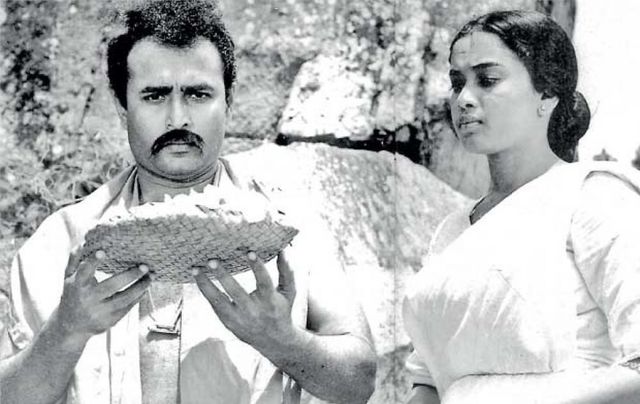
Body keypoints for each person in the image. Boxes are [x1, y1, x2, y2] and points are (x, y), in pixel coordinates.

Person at [0, 1, 377, 403]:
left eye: (198, 94)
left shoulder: (290, 229)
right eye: (155, 96)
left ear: (228, 100)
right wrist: (66, 330)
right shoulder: (61, 242)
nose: (178, 117)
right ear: (122, 106)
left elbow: (358, 383)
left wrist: (281, 340)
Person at [403, 10, 640, 404]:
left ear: (546, 93)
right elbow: (426, 381)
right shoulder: (453, 230)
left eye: (487, 80)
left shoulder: (593, 196)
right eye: (457, 83)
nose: (463, 100)